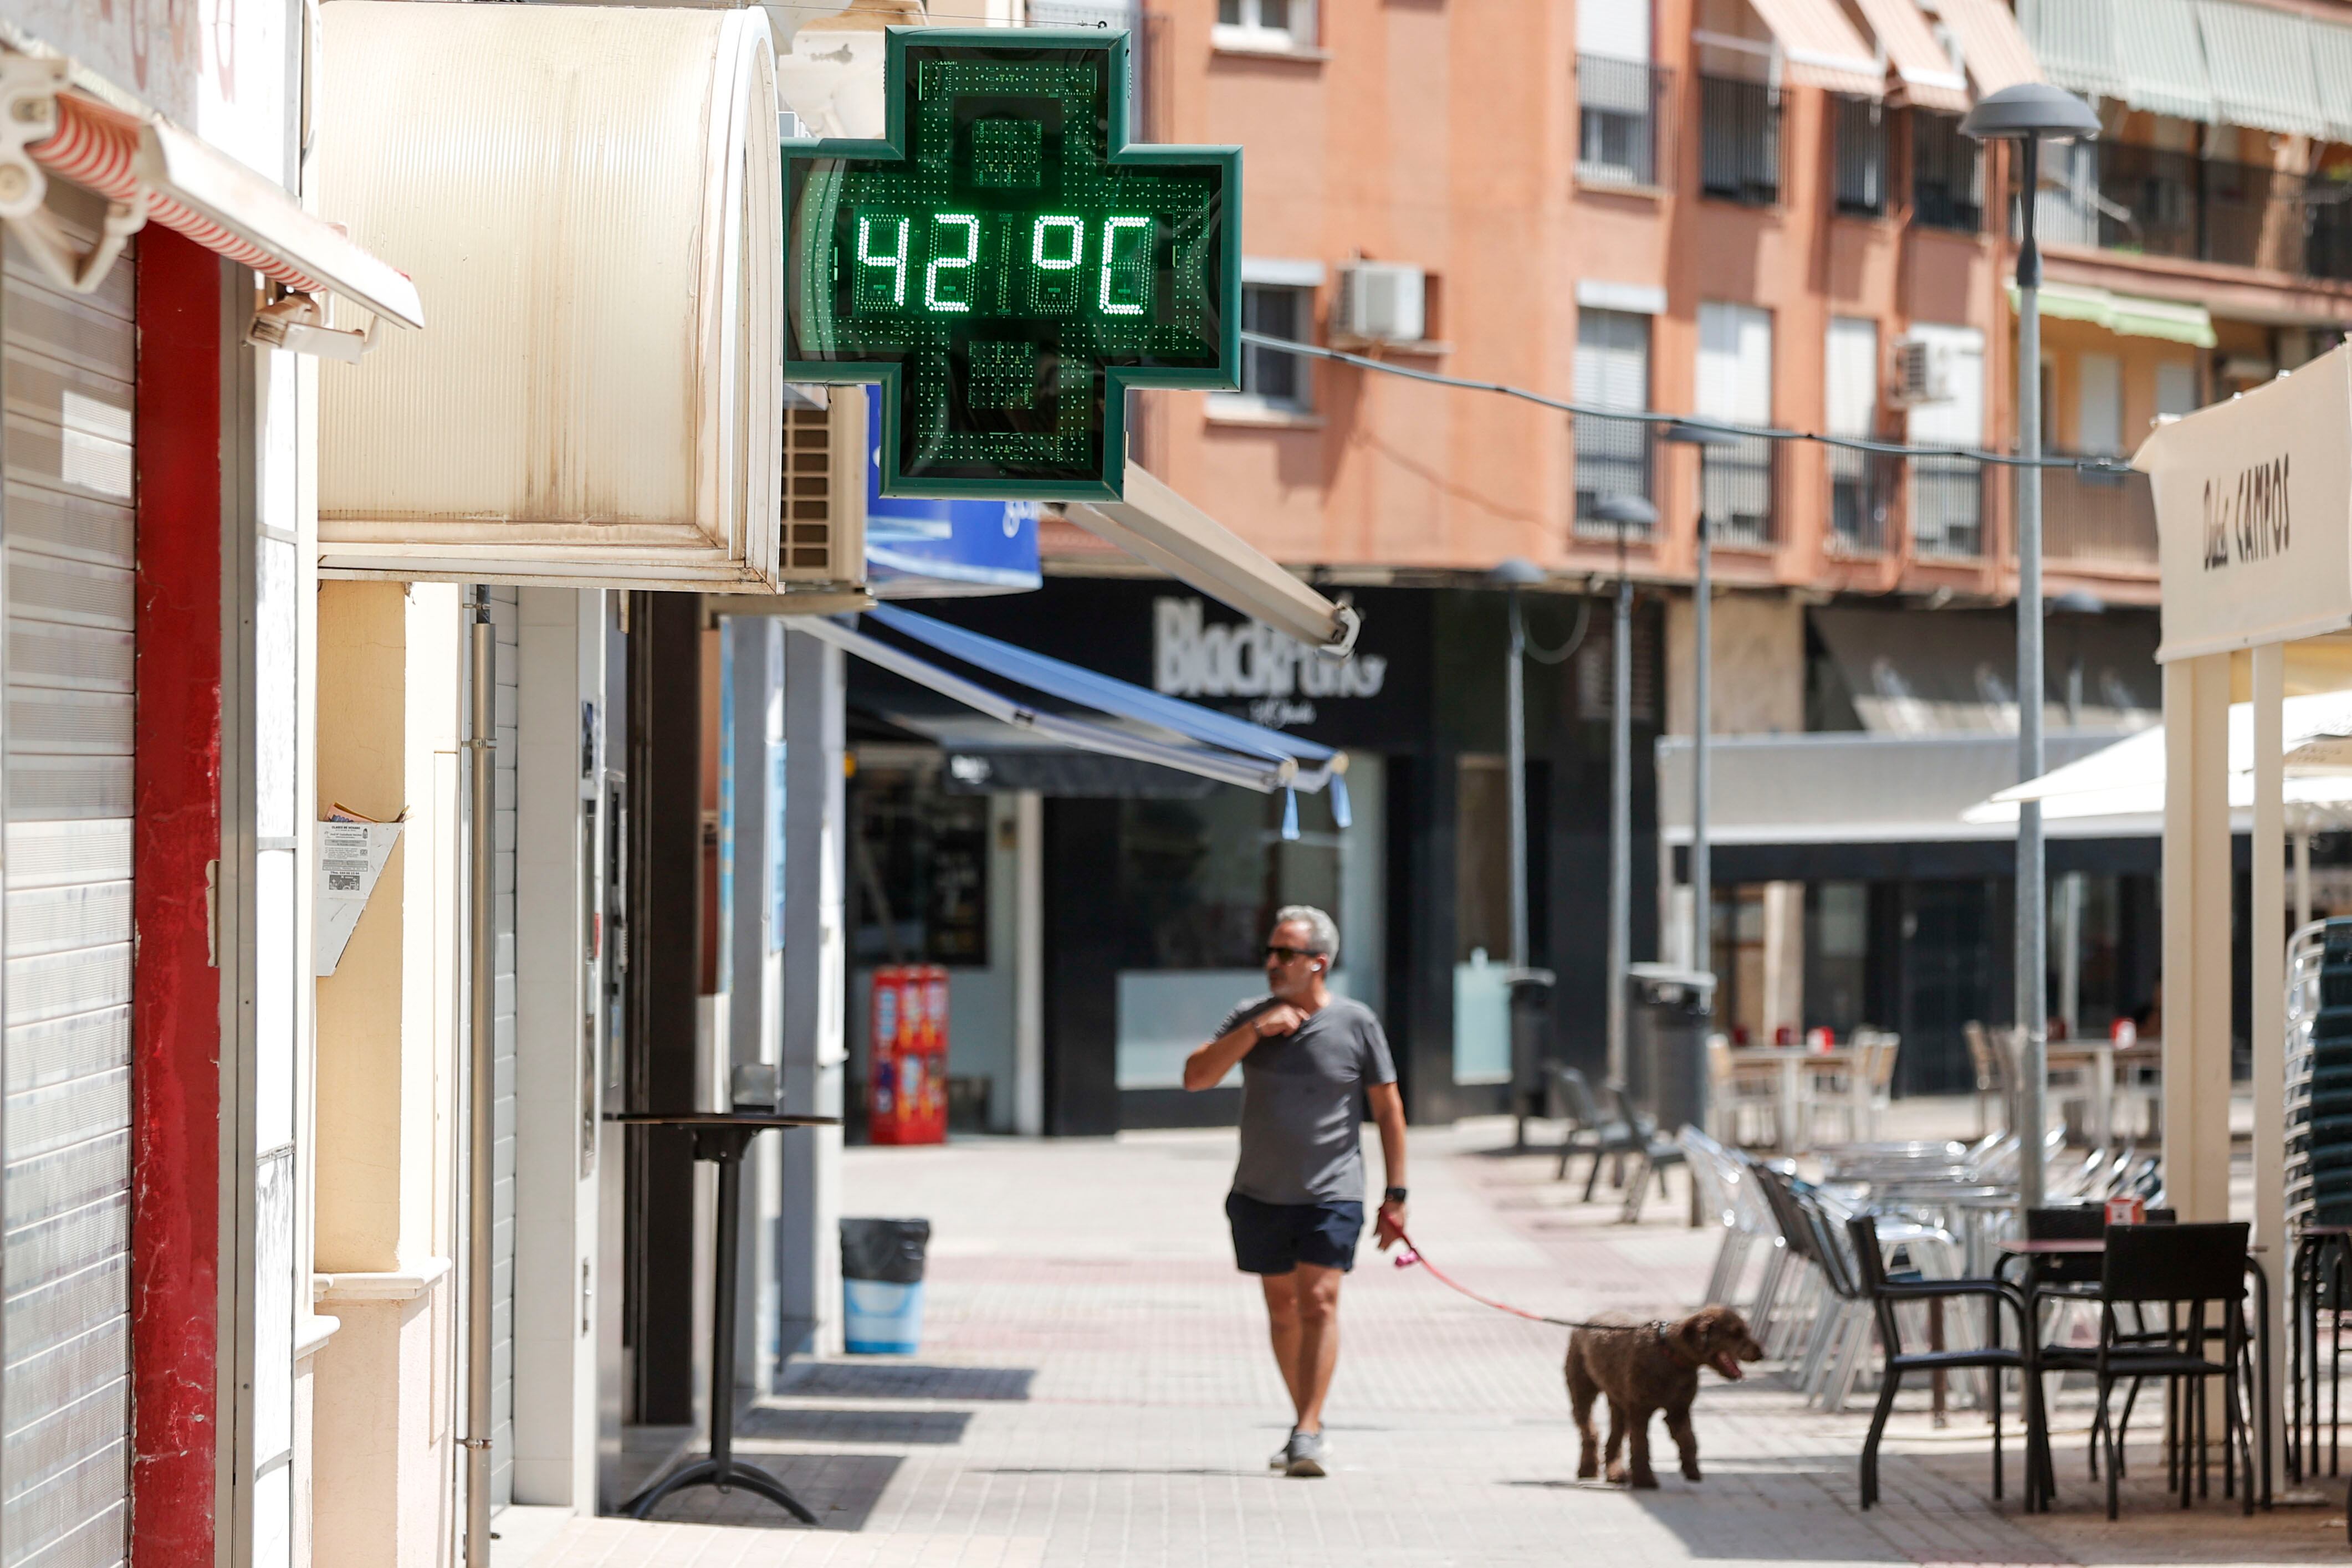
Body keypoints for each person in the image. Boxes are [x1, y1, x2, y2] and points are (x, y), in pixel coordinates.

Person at [1183, 904, 1407, 1478]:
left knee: (1318, 1301)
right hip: (1259, 1191)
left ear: (1319, 964)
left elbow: (1387, 1108)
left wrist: (1395, 1193)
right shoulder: (1248, 1016)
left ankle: (1307, 1428)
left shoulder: (1356, 1023)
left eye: (1285, 954)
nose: (1271, 963)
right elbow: (1196, 1077)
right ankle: (1303, 1422)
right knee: (1282, 1310)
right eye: (1270, 951)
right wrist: (1256, 1030)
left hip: (1333, 1190)